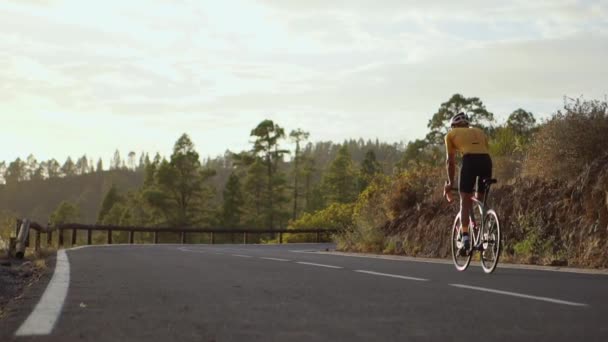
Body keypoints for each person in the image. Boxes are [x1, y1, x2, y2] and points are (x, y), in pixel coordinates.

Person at [443, 112, 492, 255]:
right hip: (486, 162)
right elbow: (484, 151)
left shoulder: (450, 135)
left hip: (470, 161)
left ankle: (465, 239)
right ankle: (485, 232)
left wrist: (450, 183)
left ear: (454, 126)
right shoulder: (479, 131)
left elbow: (450, 162)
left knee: (465, 199)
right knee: (480, 198)